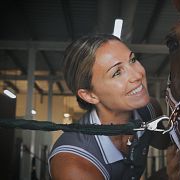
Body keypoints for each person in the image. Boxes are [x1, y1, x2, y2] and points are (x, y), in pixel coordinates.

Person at [48, 34, 171, 180]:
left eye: (132, 60)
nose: (137, 75)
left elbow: (166, 144)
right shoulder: (74, 164)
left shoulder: (149, 109)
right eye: (117, 72)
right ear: (90, 95)